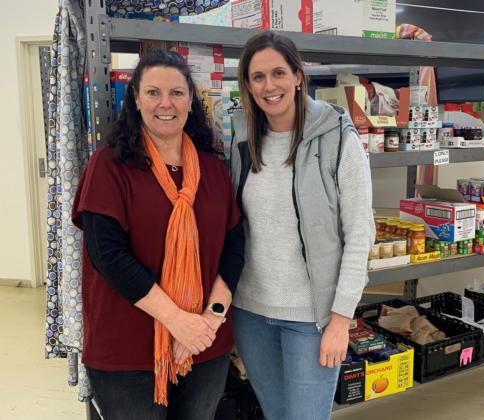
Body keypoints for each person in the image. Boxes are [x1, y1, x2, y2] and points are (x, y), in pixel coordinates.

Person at [72, 49, 244, 420]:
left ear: (189, 101)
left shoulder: (213, 170)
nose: (165, 104)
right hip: (128, 351)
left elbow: (234, 247)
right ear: (135, 99)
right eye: (153, 93)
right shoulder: (109, 167)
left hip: (204, 344)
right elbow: (109, 257)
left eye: (176, 93)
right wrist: (178, 321)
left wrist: (209, 320)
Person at [230, 31, 375, 420]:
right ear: (247, 84)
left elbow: (360, 234)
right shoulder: (241, 137)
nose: (269, 86)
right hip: (250, 313)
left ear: (298, 75)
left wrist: (341, 320)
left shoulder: (337, 139)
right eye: (257, 77)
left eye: (278, 73)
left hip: (311, 319)